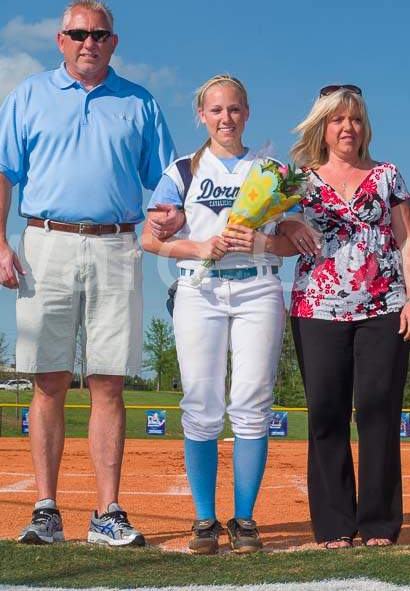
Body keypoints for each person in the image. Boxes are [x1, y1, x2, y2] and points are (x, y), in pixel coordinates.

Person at [0, 0, 182, 546]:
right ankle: (46, 510)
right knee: (48, 380)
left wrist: (173, 212)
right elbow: (0, 173)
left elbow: (166, 182)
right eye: (78, 34)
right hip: (45, 243)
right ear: (60, 39)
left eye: (100, 34)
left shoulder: (139, 103)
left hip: (117, 246)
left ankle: (107, 512)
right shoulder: (28, 95)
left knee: (109, 381)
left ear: (114, 41)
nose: (89, 42)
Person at [141, 74, 299, 554]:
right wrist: (199, 245)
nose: (225, 118)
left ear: (247, 113)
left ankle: (245, 520)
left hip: (257, 288)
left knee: (252, 402)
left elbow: (294, 243)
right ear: (201, 116)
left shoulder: (271, 169)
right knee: (202, 403)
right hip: (199, 290)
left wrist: (262, 241)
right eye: (216, 110)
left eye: (234, 109)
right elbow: (150, 238)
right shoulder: (182, 171)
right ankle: (205, 521)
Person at [283, 85, 410, 548]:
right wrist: (287, 222)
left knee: (379, 411)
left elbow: (407, 241)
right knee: (326, 413)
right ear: (322, 127)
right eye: (338, 120)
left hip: (383, 308)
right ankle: (334, 525)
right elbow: (268, 228)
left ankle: (380, 523)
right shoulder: (297, 180)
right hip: (316, 308)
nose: (348, 128)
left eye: (356, 120)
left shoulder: (388, 175)